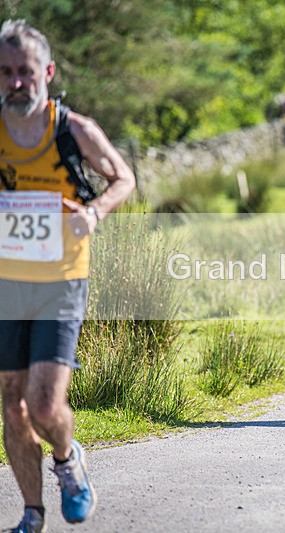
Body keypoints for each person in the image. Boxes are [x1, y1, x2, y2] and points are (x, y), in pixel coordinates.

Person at [0, 19, 135, 532]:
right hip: (6, 284)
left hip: (61, 279)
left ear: (48, 72)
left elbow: (125, 178)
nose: (16, 82)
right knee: (11, 406)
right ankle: (32, 514)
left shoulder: (72, 129)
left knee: (42, 403)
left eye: (26, 72)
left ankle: (67, 457)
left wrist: (93, 214)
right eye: (6, 72)